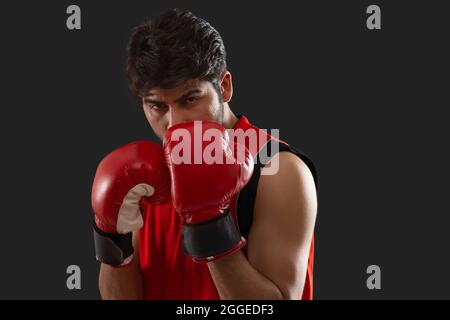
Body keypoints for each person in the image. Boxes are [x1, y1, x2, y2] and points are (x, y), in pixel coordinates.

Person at [91, 8, 318, 300]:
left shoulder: (277, 169)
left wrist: (209, 224)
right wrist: (112, 238)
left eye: (190, 99)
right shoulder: (146, 174)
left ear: (224, 87)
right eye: (158, 106)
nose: (175, 123)